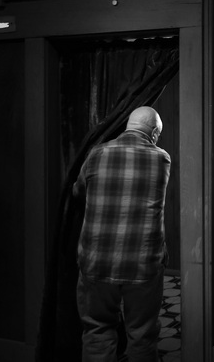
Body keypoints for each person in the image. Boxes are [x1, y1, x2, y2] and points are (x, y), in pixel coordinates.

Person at [73, 106, 170, 362]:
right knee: (142, 333)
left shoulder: (97, 153)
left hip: (96, 261)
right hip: (142, 263)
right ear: (154, 133)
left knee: (97, 329)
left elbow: (78, 192)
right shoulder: (162, 159)